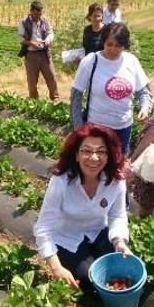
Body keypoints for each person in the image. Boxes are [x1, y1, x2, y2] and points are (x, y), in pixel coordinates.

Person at [34, 123, 132, 291]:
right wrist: (56, 267)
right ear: (76, 155)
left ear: (109, 155)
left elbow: (118, 216)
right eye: (86, 151)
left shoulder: (116, 181)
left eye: (101, 151)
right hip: (67, 238)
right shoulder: (61, 182)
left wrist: (120, 242)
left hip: (99, 232)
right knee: (92, 281)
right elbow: (43, 228)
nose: (94, 158)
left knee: (124, 267)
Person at [70, 23, 152, 155]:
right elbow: (76, 96)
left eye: (118, 46)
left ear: (124, 46)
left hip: (123, 127)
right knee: (95, 163)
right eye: (109, 44)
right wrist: (78, 127)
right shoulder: (90, 62)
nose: (113, 49)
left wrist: (144, 108)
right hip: (96, 128)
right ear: (103, 42)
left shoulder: (131, 61)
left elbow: (143, 91)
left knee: (118, 163)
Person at [18, 0, 59, 101]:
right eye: (36, 14)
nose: (38, 16)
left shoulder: (44, 20)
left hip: (44, 53)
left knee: (51, 78)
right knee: (32, 82)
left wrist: (47, 41)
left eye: (40, 14)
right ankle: (34, 103)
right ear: (31, 11)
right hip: (31, 55)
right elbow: (21, 39)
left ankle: (55, 100)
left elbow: (51, 33)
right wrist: (32, 43)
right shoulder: (23, 22)